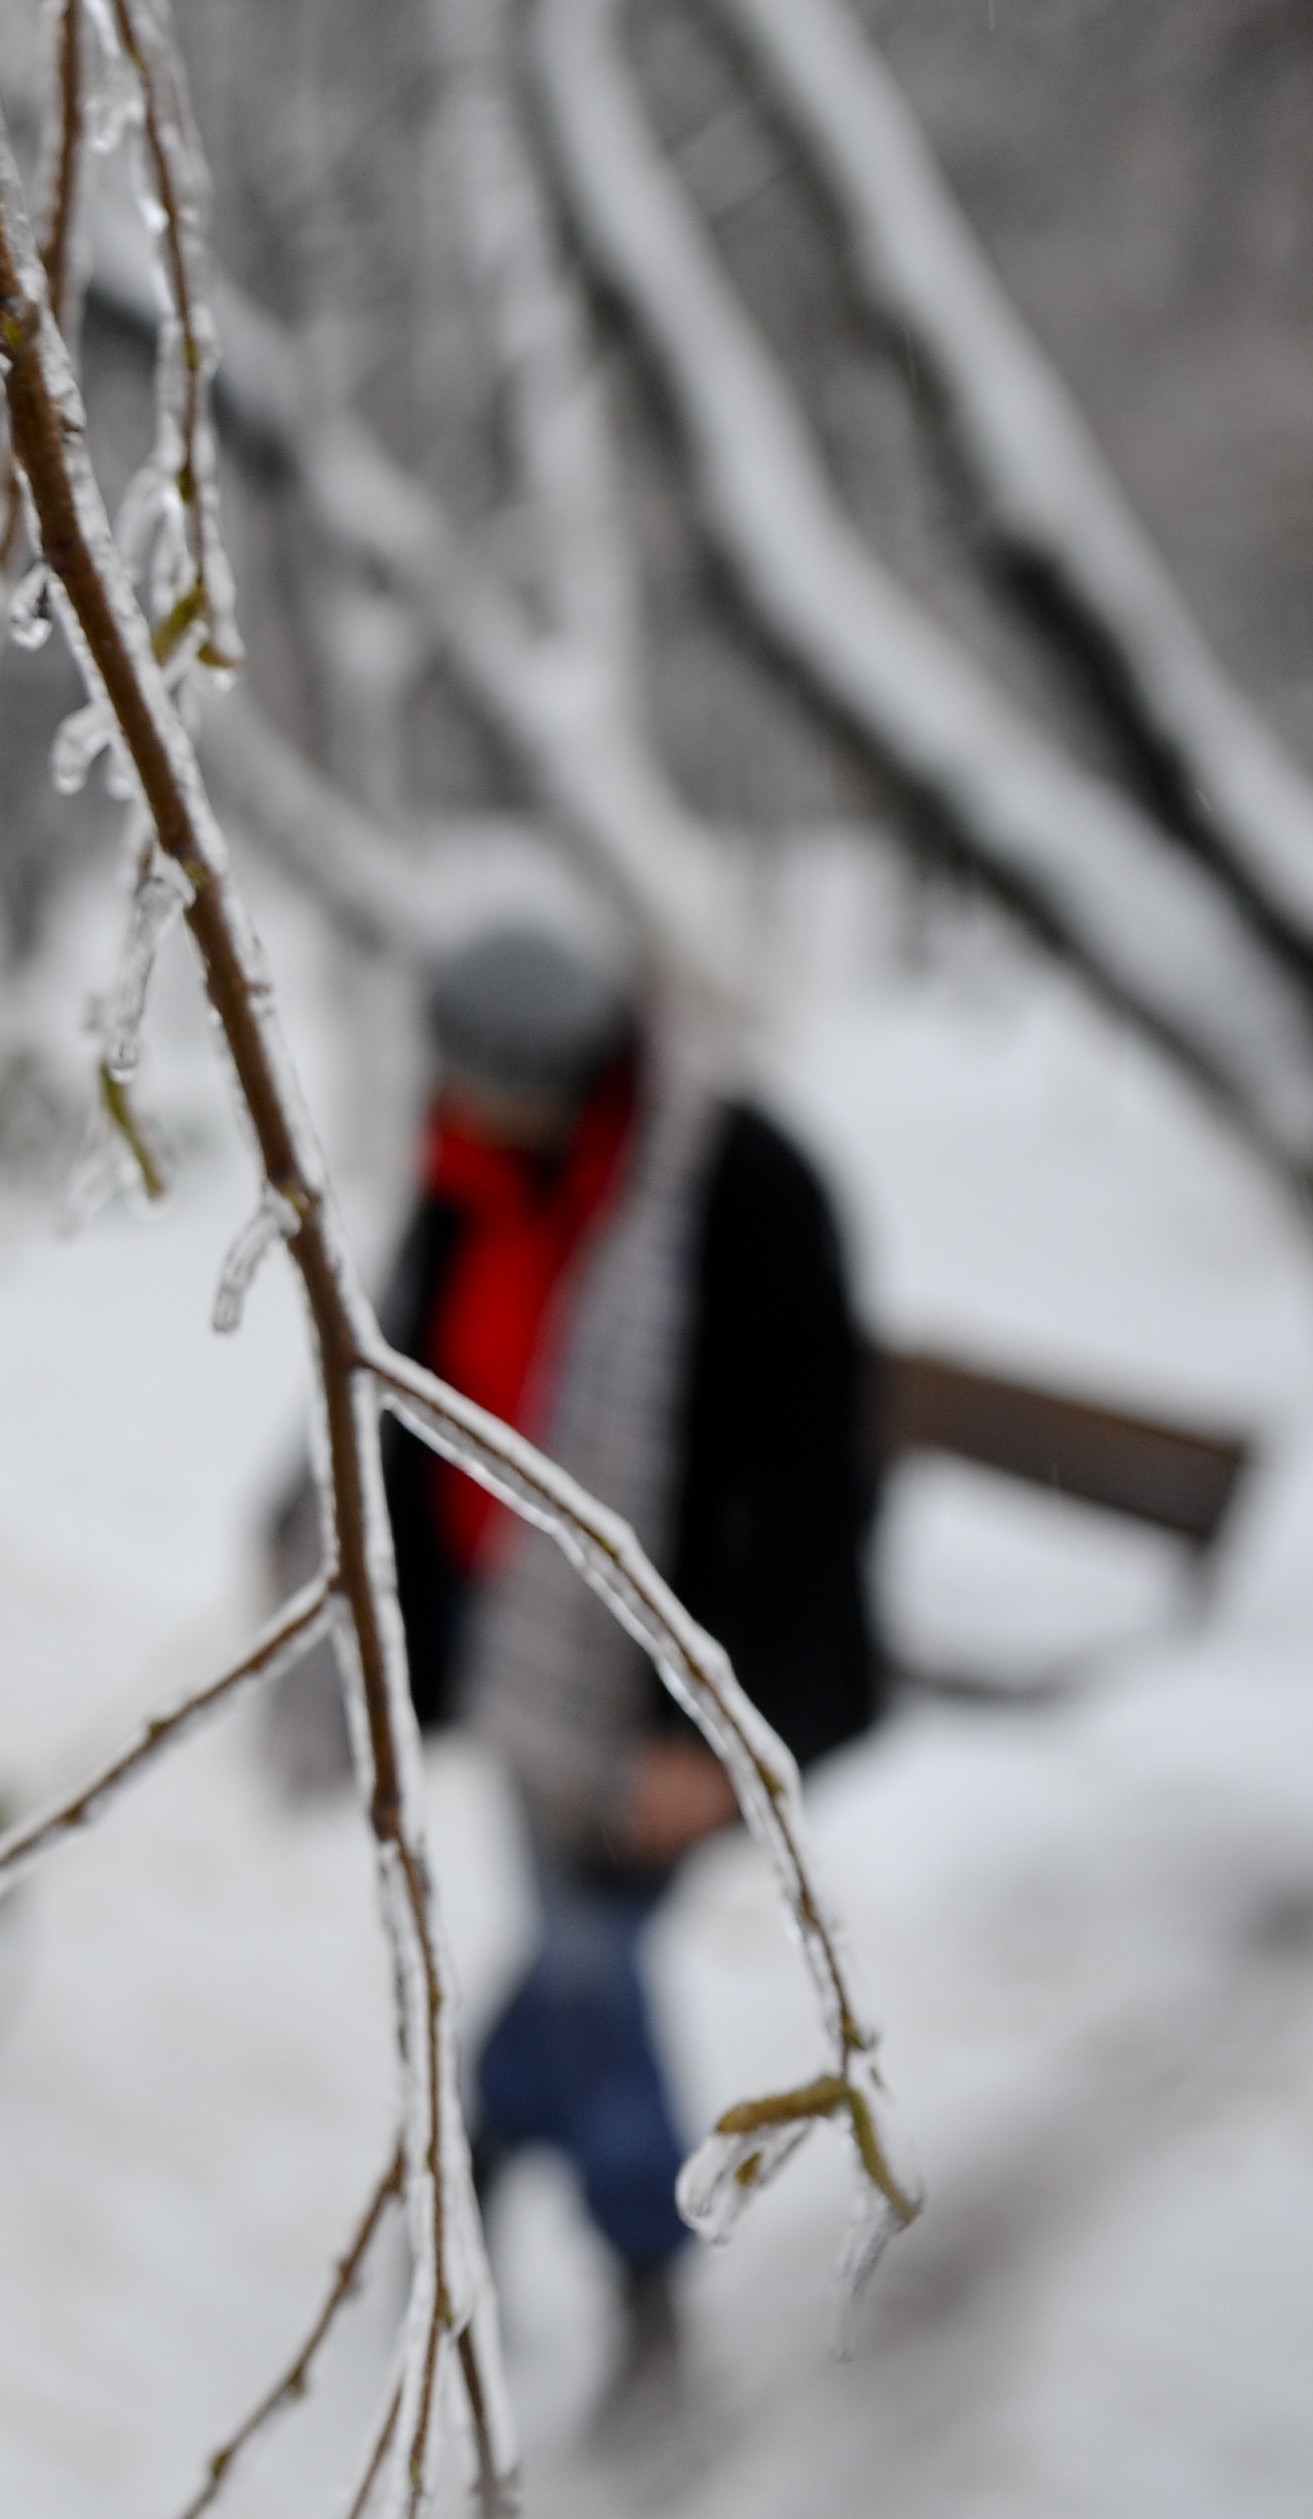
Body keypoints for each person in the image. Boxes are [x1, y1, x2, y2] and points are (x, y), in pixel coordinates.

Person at [374, 916, 881, 2436]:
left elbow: (802, 1484)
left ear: (565, 1070)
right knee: (582, 1957)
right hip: (527, 1658)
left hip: (676, 1681)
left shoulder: (739, 1186)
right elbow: (410, 1369)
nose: (458, 1105)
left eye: (486, 1084)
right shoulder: (477, 1162)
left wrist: (700, 1729)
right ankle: (497, 2194)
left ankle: (568, 2227)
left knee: (587, 1963)